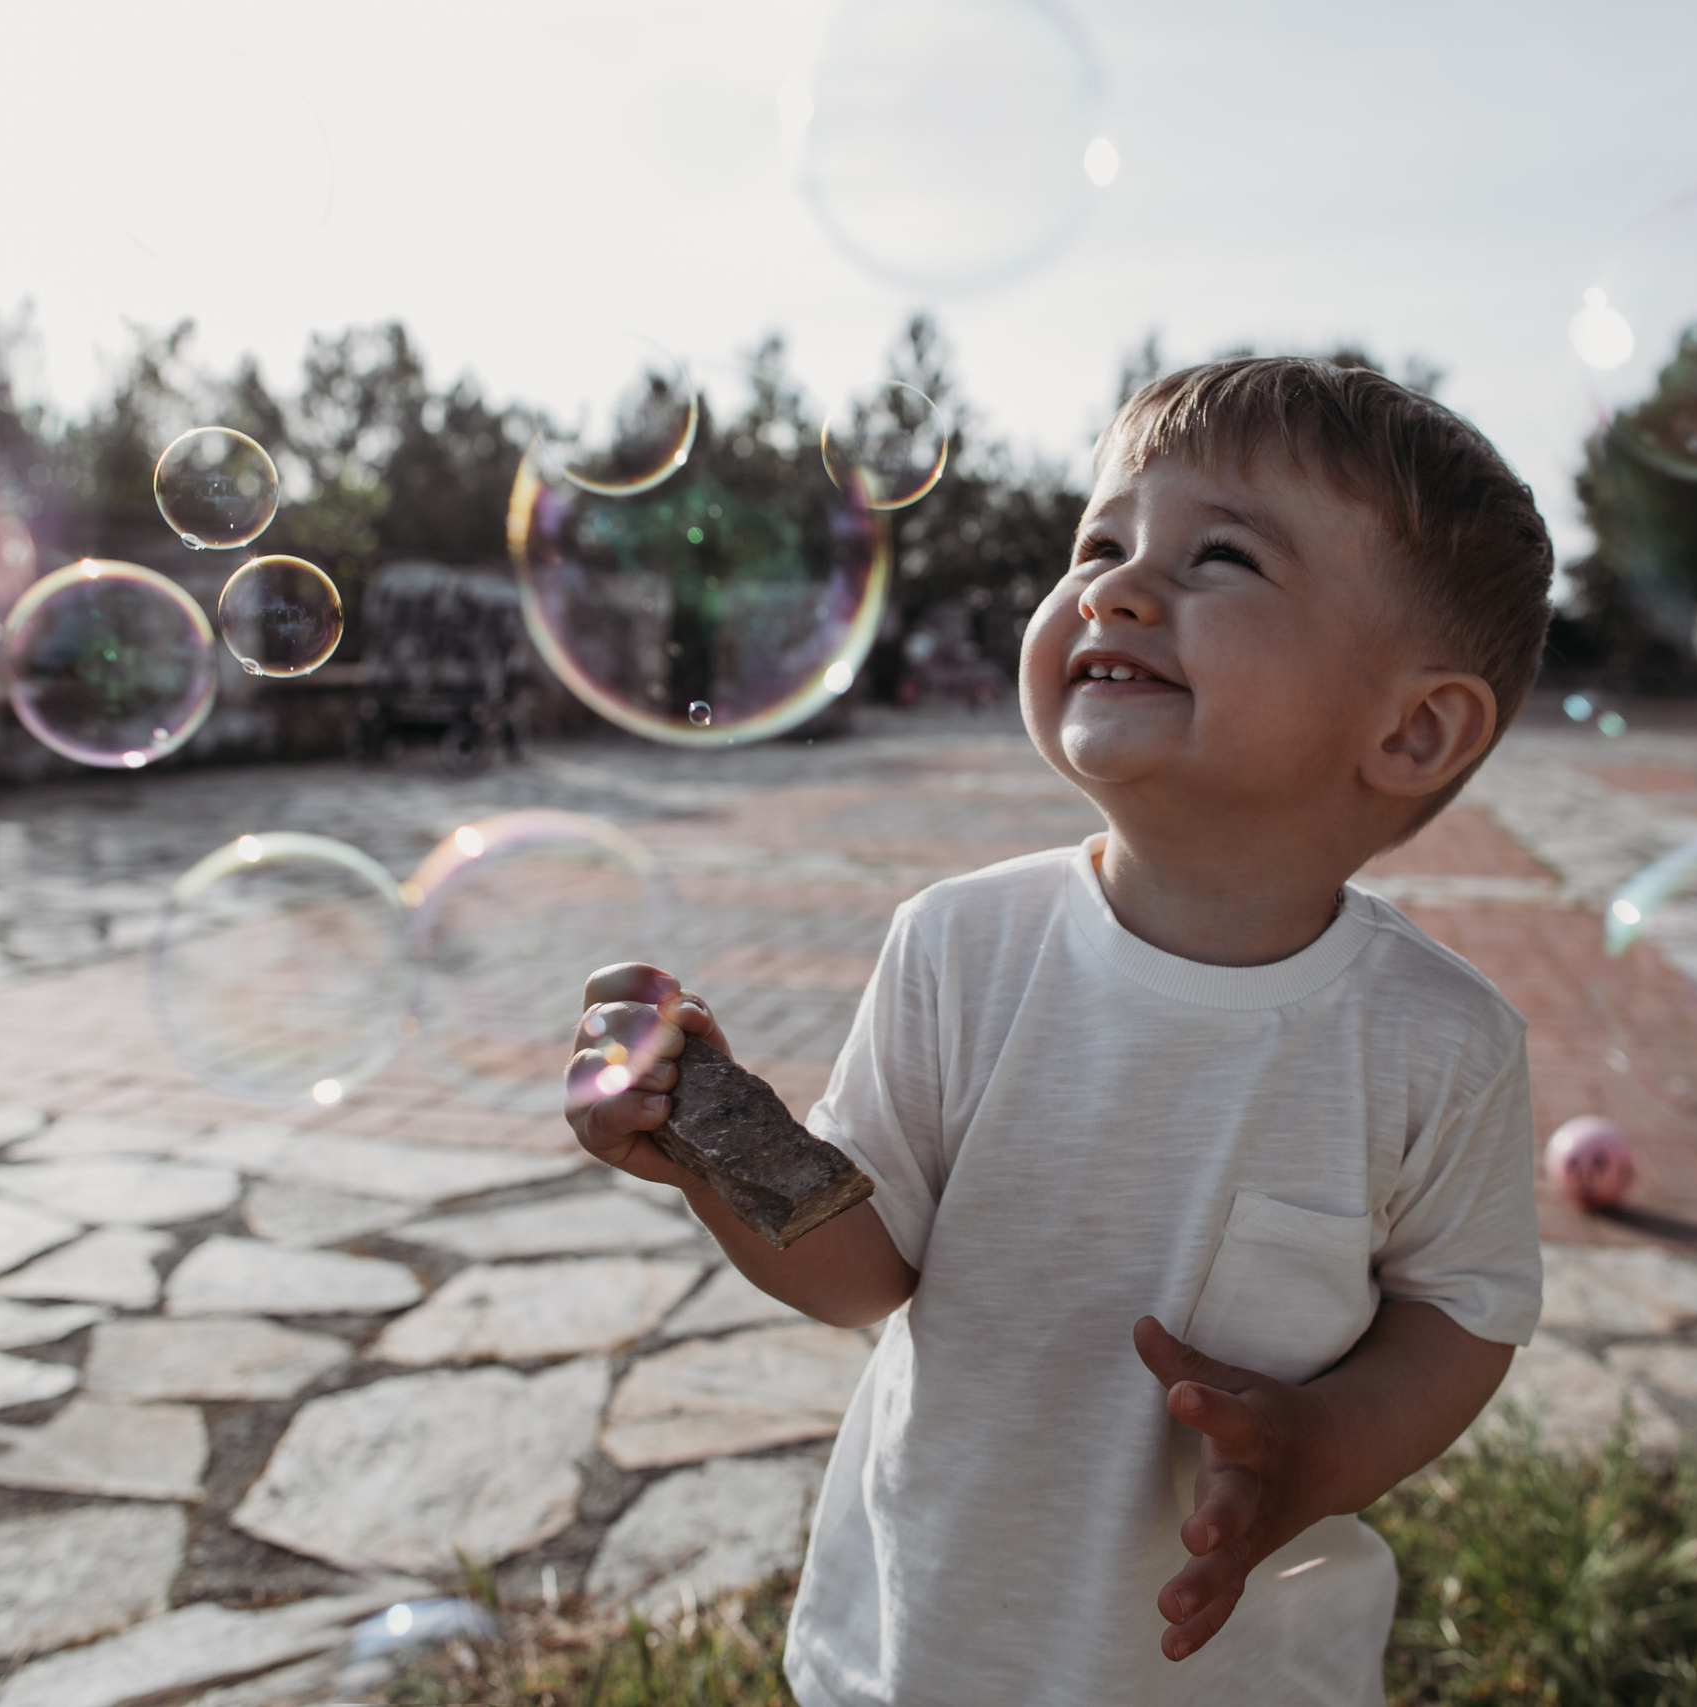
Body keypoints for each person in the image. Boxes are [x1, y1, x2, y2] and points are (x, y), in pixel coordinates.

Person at [566, 356, 1554, 1705]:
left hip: (1229, 1665)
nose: (1117, 587)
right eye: (1099, 542)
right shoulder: (961, 947)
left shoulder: (1440, 1043)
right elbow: (863, 1275)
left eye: (1220, 559)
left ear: (1414, 728)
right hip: (934, 1632)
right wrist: (716, 1144)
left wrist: (1324, 1450)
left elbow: (1463, 1314)